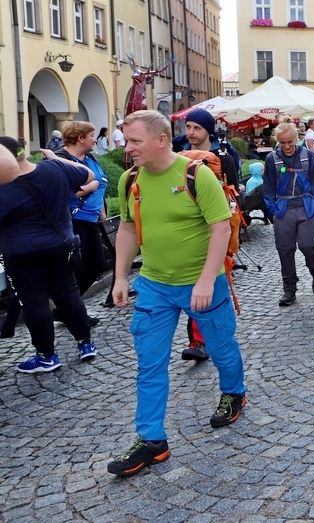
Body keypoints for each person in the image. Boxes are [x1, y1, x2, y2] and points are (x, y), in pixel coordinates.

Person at [106, 110, 246, 476]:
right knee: (149, 363)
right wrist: (120, 277)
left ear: (161, 140)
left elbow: (220, 228)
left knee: (221, 347)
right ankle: (151, 440)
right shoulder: (130, 180)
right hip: (154, 286)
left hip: (204, 283)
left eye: (135, 141)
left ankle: (234, 392)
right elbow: (127, 229)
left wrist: (205, 280)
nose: (127, 147)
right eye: (126, 140)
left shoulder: (196, 176)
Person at [0, 137, 96, 373]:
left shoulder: (4, 189)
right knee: (68, 294)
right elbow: (89, 176)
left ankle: (46, 356)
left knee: (34, 303)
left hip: (21, 252)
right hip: (61, 245)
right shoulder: (54, 168)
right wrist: (56, 159)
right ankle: (85, 343)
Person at [174, 108, 243, 359]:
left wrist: (232, 230)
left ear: (208, 131)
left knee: (214, 282)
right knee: (195, 283)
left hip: (216, 226)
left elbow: (233, 195)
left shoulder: (224, 156)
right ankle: (197, 341)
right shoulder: (177, 154)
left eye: (197, 128)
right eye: (188, 127)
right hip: (187, 228)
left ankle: (212, 337)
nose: (191, 133)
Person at [262, 122, 314, 307]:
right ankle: (289, 289)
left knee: (308, 245)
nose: (287, 146)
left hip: (306, 207)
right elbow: (267, 188)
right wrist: (272, 212)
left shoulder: (309, 156)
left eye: (290, 141)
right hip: (283, 210)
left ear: (296, 138)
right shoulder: (272, 159)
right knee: (285, 250)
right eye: (282, 143)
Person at [56, 121, 109, 298]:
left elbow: (101, 183)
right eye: (92, 136)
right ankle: (70, 306)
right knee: (75, 267)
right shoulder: (59, 160)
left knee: (97, 265)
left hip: (91, 220)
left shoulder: (90, 158)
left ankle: (70, 304)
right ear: (80, 138)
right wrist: (87, 188)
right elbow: (56, 194)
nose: (95, 140)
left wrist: (101, 210)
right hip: (72, 221)